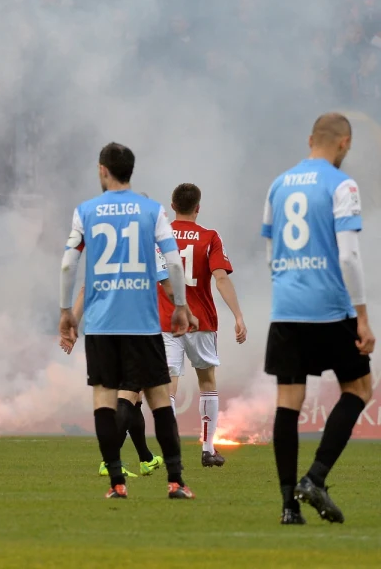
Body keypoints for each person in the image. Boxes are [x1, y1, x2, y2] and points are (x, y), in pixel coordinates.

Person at [58, 142, 193, 500]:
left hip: (102, 325)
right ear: (130, 171)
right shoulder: (152, 210)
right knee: (159, 399)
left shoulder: (85, 211)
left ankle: (117, 483)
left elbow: (70, 264)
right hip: (143, 324)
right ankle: (176, 481)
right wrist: (180, 304)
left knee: (105, 399)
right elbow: (174, 262)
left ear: (103, 170)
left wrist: (65, 312)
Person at [262, 113, 374, 525]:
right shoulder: (341, 184)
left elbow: (271, 254)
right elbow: (348, 255)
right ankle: (316, 477)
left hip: (287, 308)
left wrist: (287, 290)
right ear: (344, 143)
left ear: (311, 139)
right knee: (360, 387)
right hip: (329, 306)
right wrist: (362, 317)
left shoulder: (278, 184)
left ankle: (289, 507)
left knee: (288, 402)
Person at [158, 183, 248, 468]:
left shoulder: (159, 235)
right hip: (202, 321)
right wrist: (238, 315)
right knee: (207, 382)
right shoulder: (210, 237)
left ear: (172, 206)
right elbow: (221, 278)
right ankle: (208, 450)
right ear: (198, 207)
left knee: (169, 387)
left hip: (167, 321)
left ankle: (172, 453)